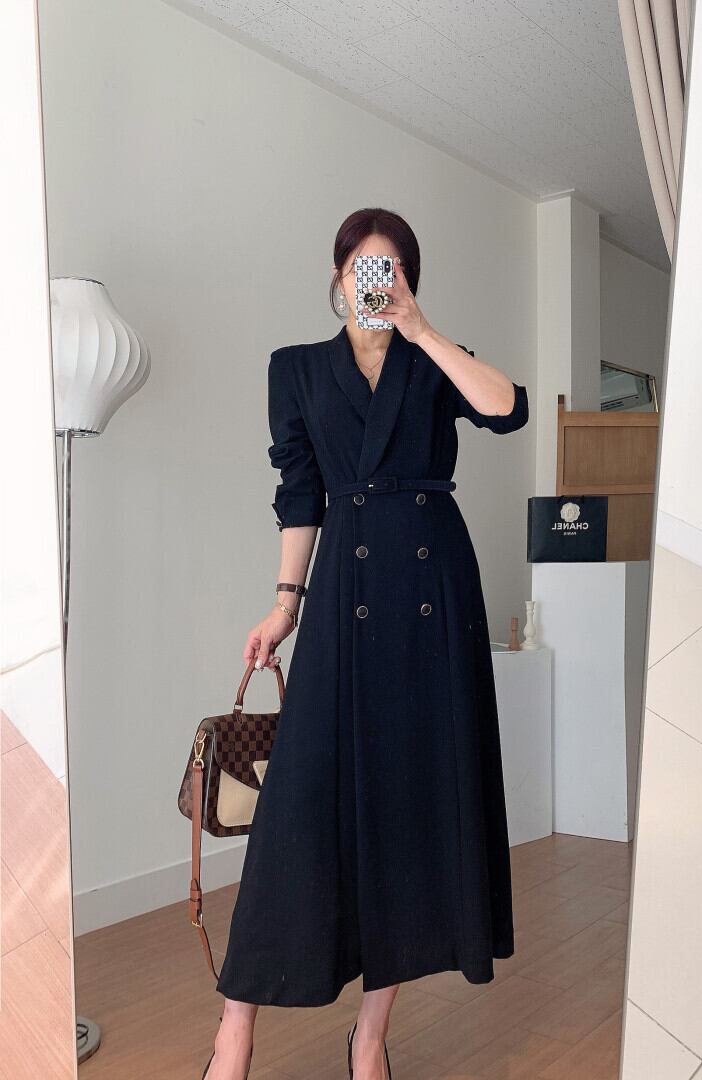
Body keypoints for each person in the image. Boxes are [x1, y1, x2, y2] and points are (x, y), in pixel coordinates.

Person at [201, 207, 529, 1080]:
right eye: (361, 268)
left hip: (430, 591)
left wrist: (423, 330)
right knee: (296, 808)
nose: (373, 283)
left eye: (391, 270)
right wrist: (285, 606)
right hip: (345, 591)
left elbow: (508, 410)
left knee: (409, 811)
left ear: (407, 281)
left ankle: (371, 1036)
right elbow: (299, 491)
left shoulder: (431, 361)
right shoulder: (298, 369)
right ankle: (234, 1030)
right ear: (338, 278)